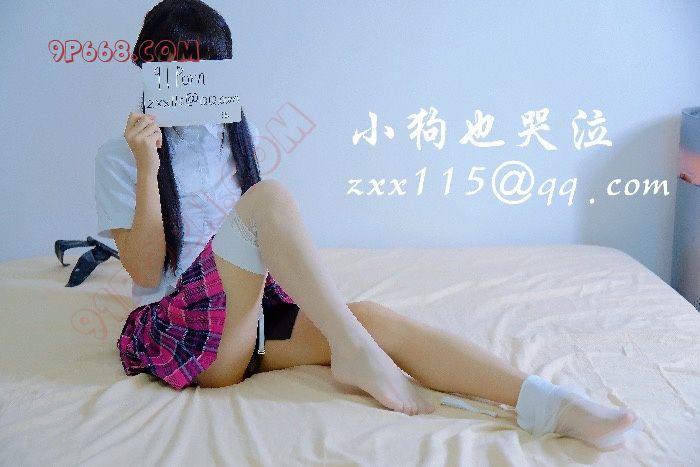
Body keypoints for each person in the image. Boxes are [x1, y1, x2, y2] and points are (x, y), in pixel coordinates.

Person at [96, 0, 642, 452]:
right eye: (172, 67)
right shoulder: (119, 158)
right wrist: (146, 166)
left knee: (373, 318)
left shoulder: (241, 136)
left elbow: (254, 249)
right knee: (269, 200)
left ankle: (550, 404)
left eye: (202, 66)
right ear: (147, 71)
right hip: (185, 334)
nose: (188, 81)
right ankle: (353, 351)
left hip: (249, 325)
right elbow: (145, 271)